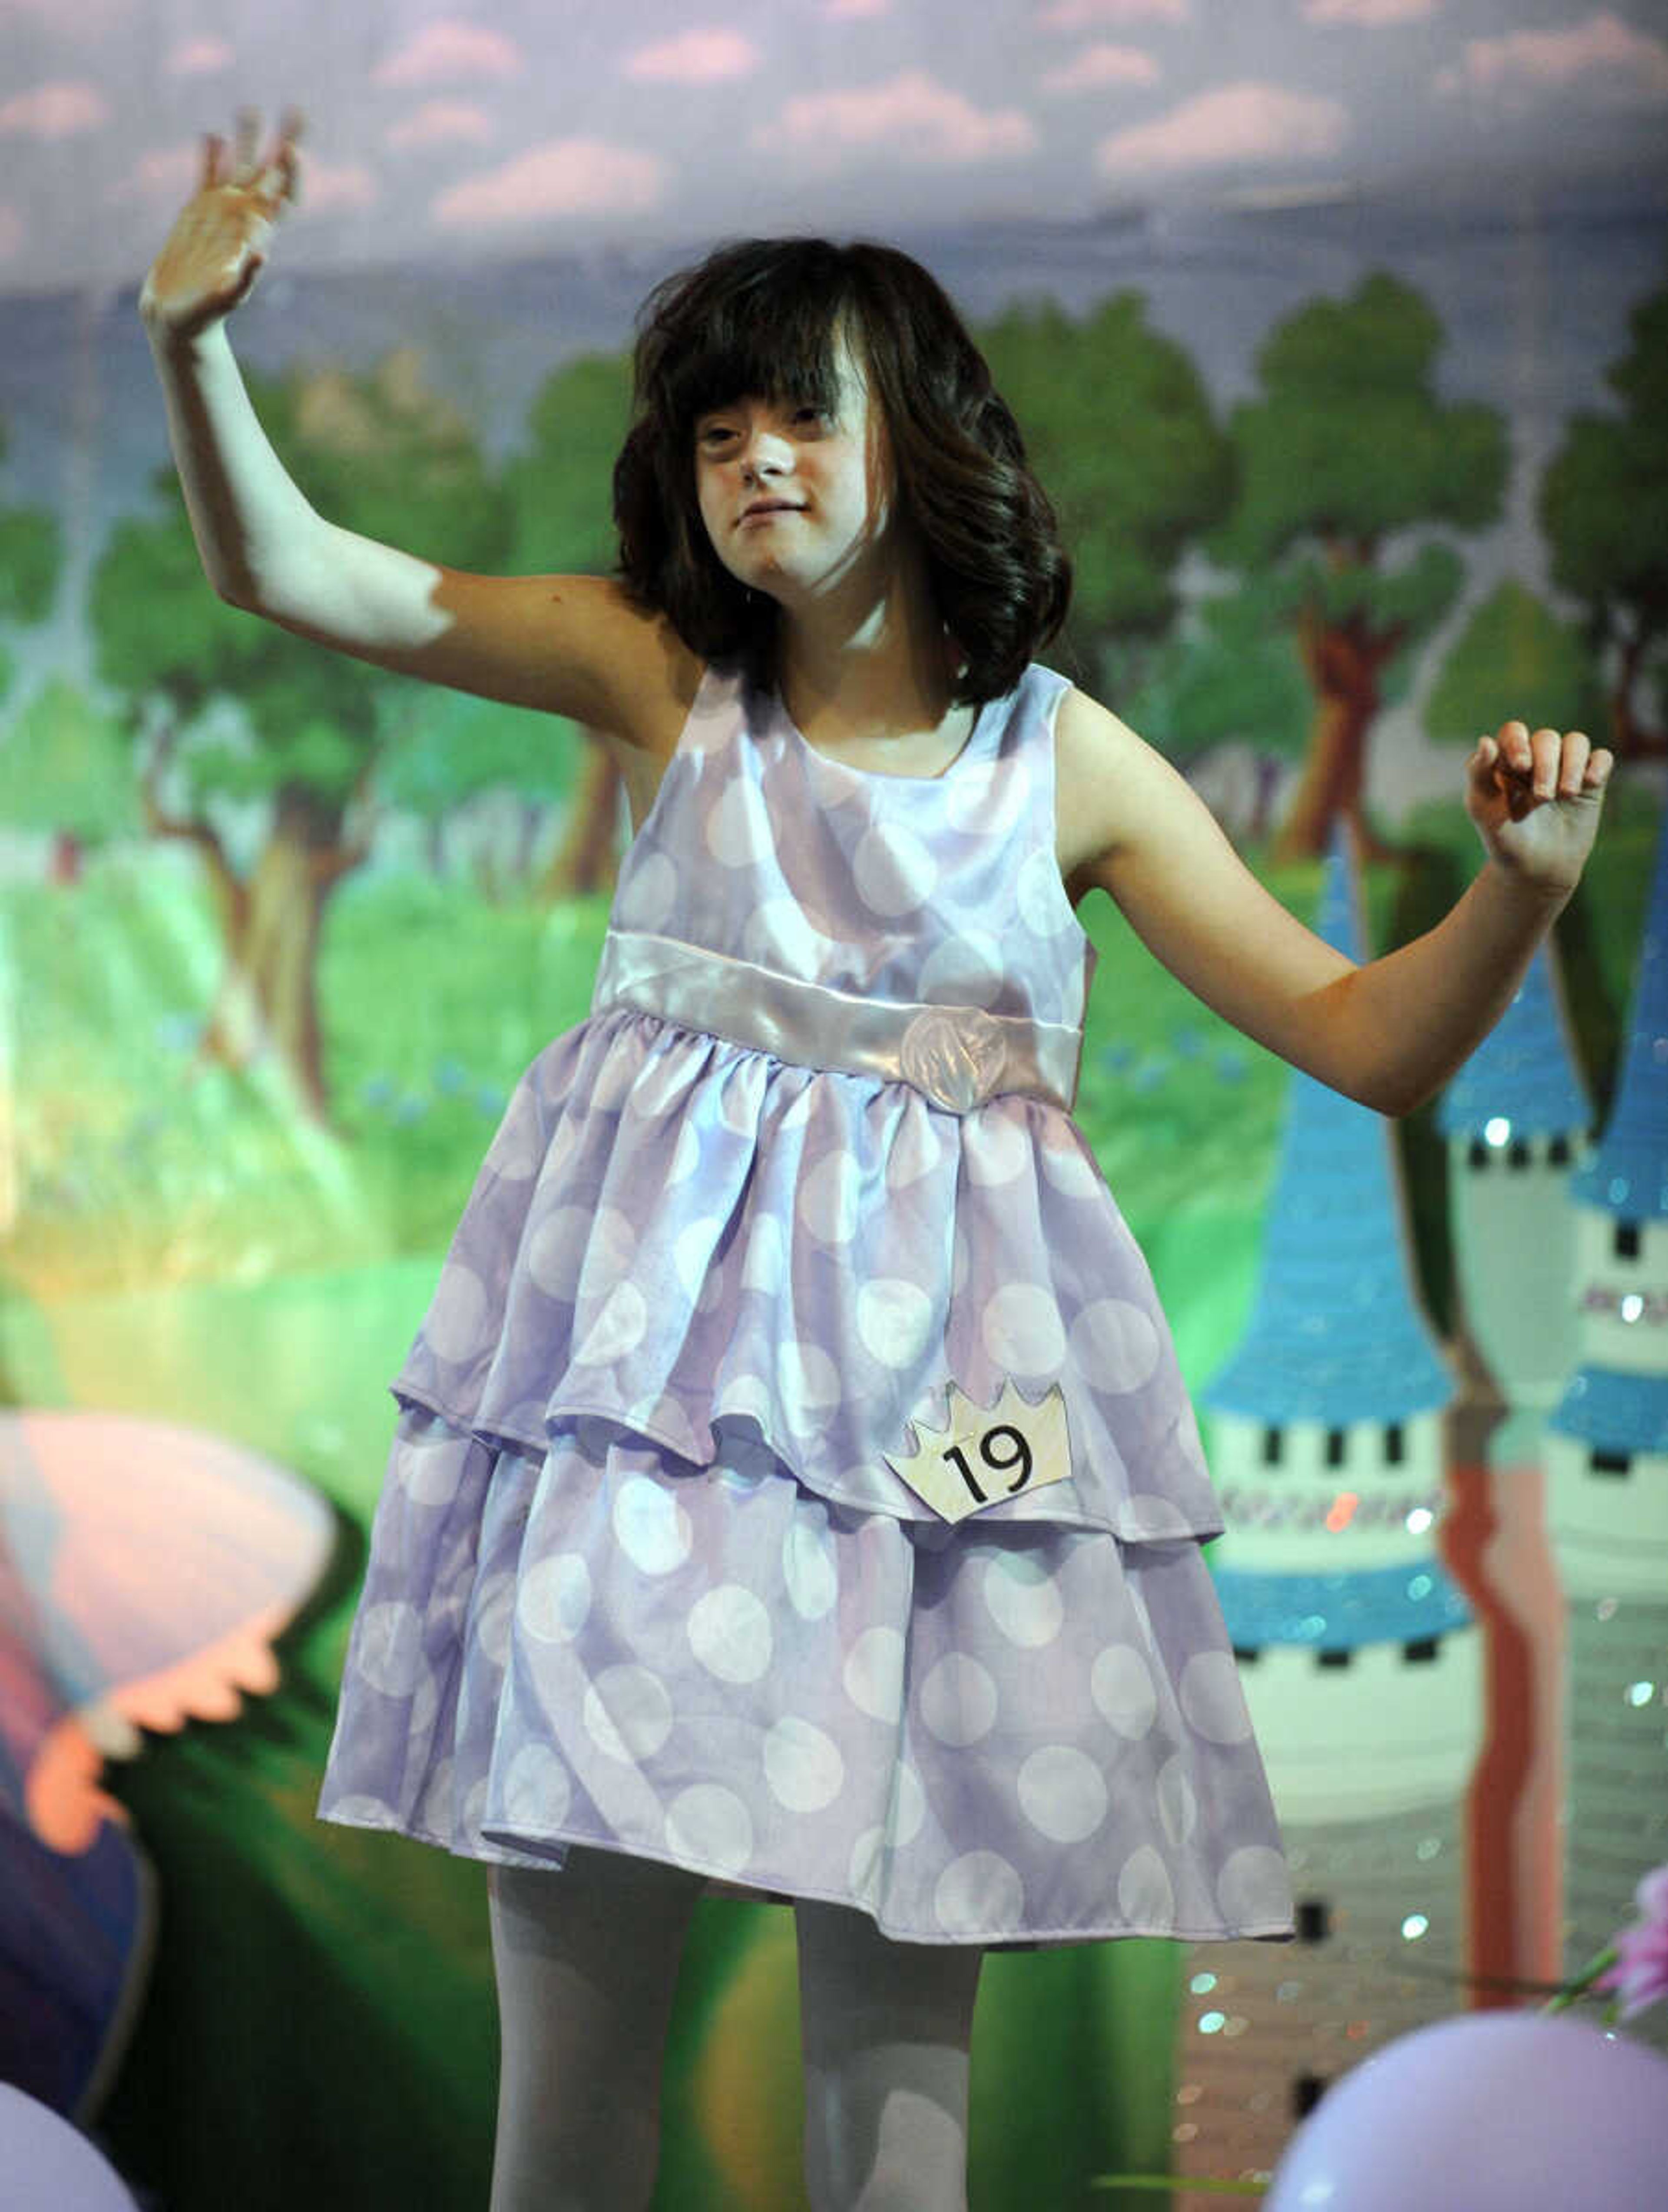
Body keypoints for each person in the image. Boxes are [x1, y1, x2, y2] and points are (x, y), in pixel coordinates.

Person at [141, 113, 1612, 2212]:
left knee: (897, 2076)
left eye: (803, 414)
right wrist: (193, 351)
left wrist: (1523, 893)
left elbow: (1370, 1041)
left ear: (913, 432)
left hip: (955, 1440)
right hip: (645, 1437)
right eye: (717, 429)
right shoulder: (667, 677)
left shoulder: (1065, 761)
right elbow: (291, 569)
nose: (759, 464)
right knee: (567, 2066)